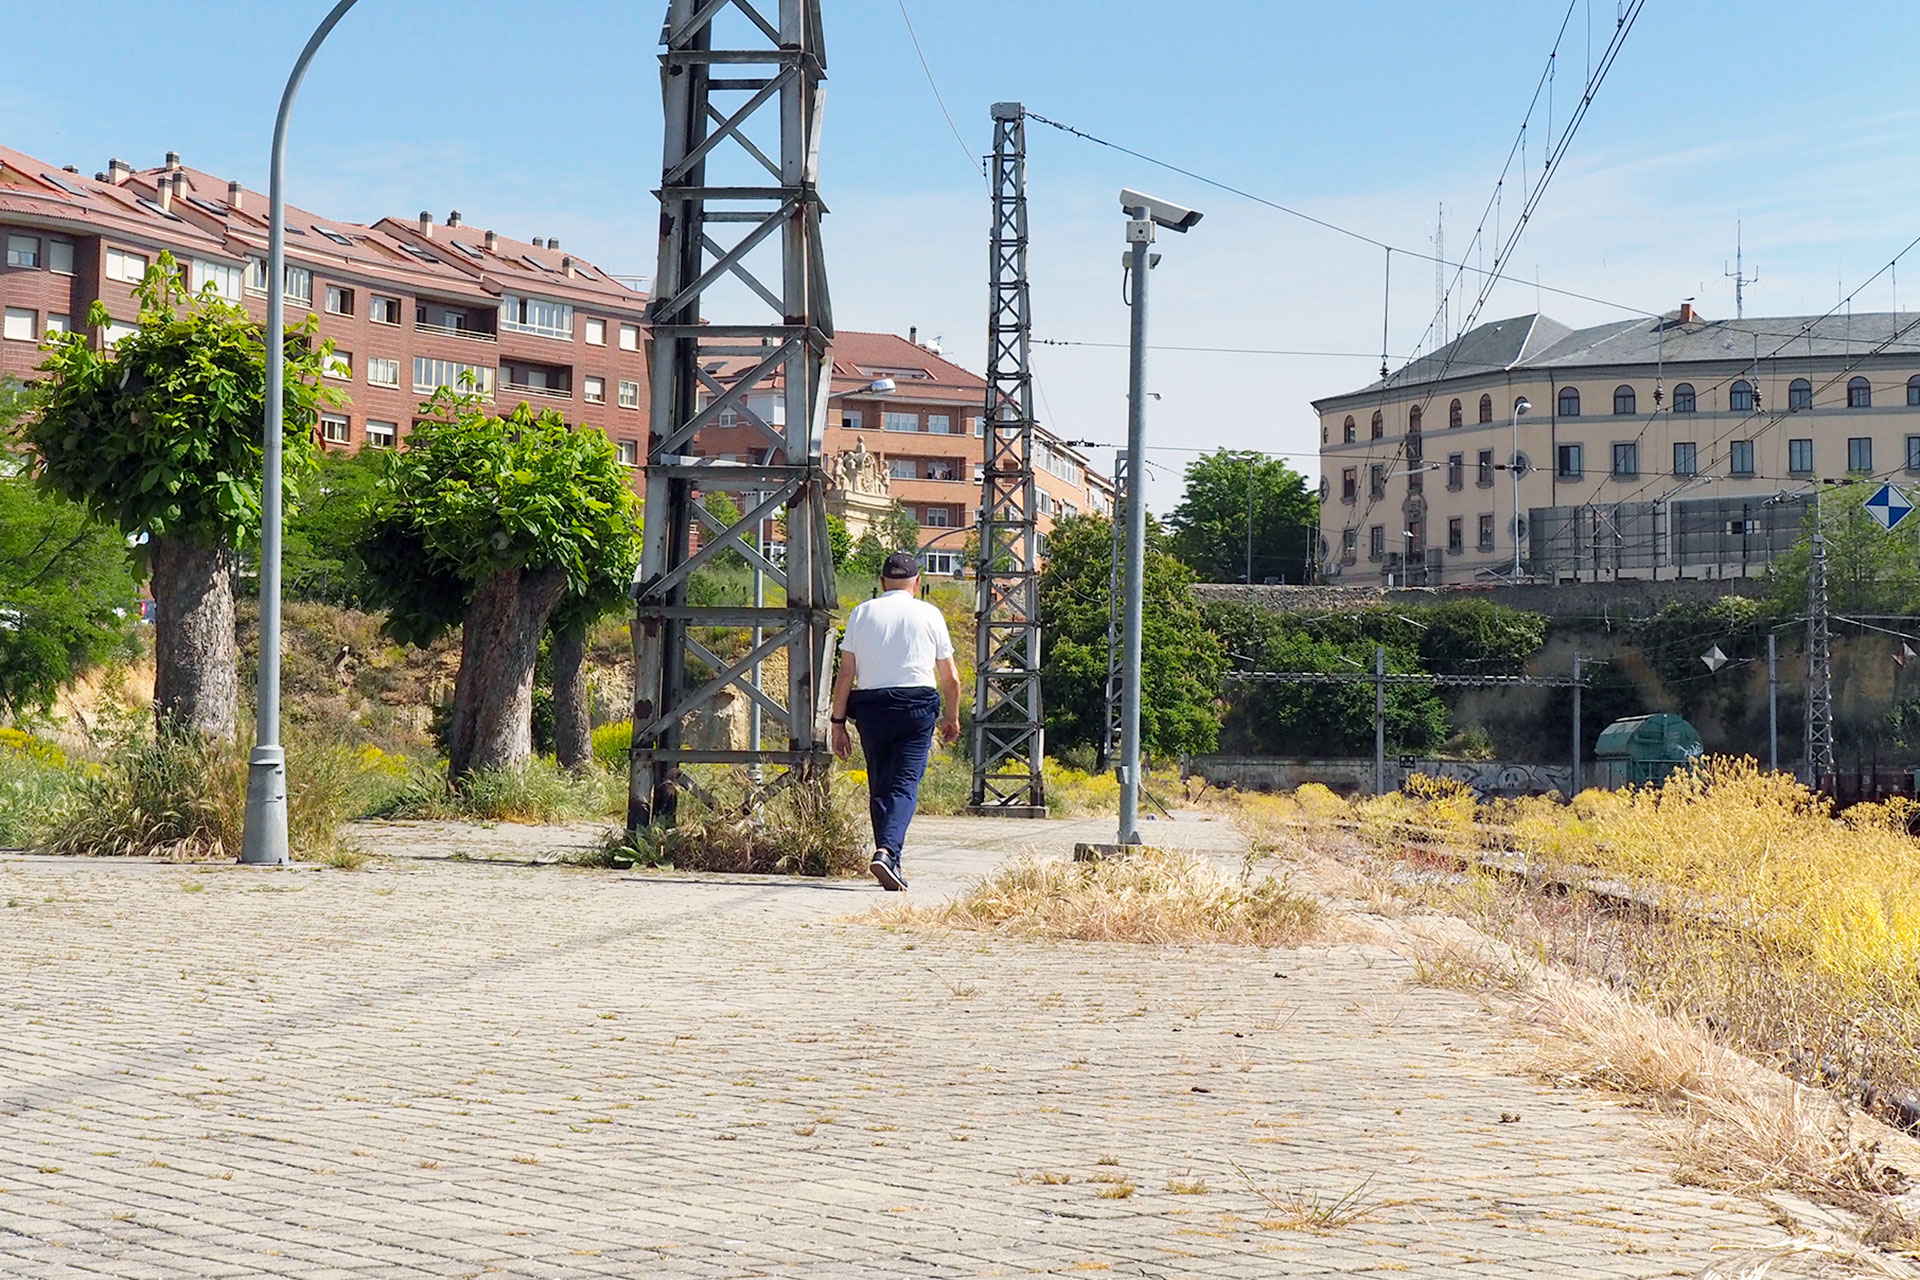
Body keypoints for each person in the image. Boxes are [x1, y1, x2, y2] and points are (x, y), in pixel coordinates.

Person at [830, 551, 961, 890]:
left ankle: (889, 859)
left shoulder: (862, 612)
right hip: (916, 707)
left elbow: (845, 674)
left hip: (871, 708)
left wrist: (837, 722)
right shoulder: (929, 614)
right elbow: (951, 679)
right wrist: (952, 716)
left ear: (881, 582)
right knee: (904, 784)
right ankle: (888, 852)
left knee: (881, 784)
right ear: (917, 583)